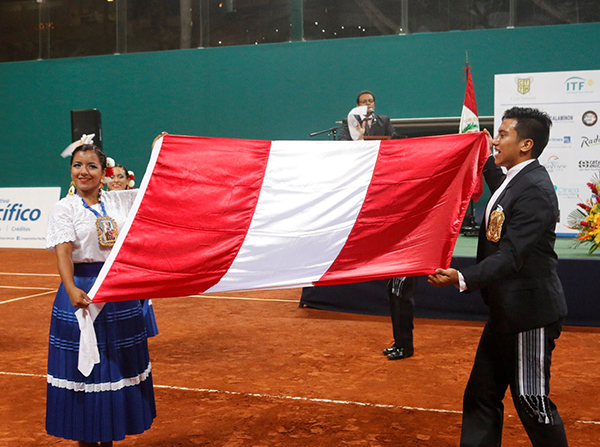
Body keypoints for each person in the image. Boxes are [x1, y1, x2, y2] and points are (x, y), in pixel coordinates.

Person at [428, 107, 568, 447]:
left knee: (531, 401)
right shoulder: (516, 179)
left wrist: (462, 277)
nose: (496, 140)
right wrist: (478, 150)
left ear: (526, 144)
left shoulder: (535, 189)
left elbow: (511, 257)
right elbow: (499, 187)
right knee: (481, 394)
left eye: (503, 134)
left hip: (528, 314)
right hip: (506, 311)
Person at [46, 143, 156, 446]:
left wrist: (158, 149)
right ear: (71, 171)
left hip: (118, 294)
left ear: (104, 172)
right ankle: (86, 438)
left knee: (114, 368)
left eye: (92, 166)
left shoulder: (118, 202)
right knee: (86, 375)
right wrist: (70, 288)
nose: (84, 171)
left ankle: (108, 436)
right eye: (78, 165)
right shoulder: (64, 208)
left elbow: (155, 192)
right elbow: (64, 252)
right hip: (81, 294)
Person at [106, 161, 159, 337]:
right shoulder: (100, 201)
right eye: (112, 176)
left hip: (132, 260)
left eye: (120, 176)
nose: (115, 180)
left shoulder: (136, 199)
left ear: (129, 180)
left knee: (135, 303)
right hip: (108, 262)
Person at [383, 276, 417, 360]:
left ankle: (406, 346)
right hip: (395, 267)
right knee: (394, 299)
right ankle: (398, 343)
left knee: (404, 301)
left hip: (408, 267)